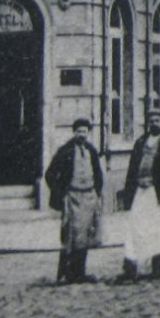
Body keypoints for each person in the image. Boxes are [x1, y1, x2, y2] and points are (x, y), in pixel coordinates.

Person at [116, 109, 160, 283]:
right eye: (151, 121)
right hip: (140, 191)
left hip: (158, 193)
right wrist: (128, 194)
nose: (154, 124)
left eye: (157, 120)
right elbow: (132, 169)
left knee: (159, 229)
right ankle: (130, 268)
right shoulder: (140, 142)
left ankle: (158, 267)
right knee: (134, 228)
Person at [45, 116, 105, 284]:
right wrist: (60, 193)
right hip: (72, 198)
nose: (82, 135)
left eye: (85, 132)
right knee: (70, 236)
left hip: (89, 197)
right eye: (79, 131)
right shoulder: (65, 151)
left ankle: (80, 272)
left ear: (89, 133)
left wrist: (97, 192)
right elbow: (50, 174)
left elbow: (98, 174)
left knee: (85, 236)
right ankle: (65, 274)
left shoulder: (92, 151)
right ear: (74, 132)